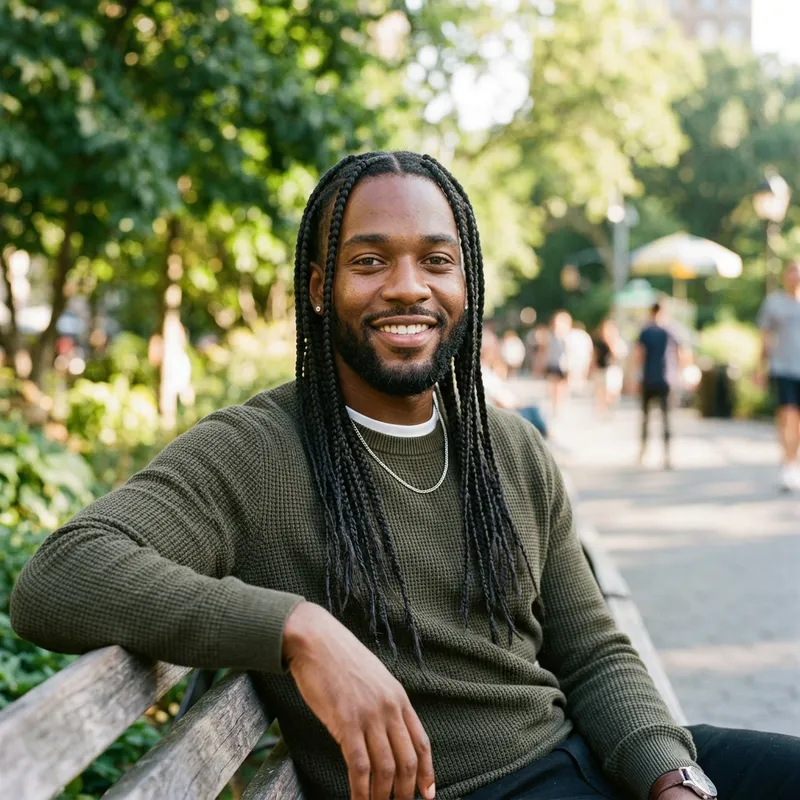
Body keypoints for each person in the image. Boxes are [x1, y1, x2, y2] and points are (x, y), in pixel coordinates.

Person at [10, 151, 800, 800]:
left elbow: (592, 653)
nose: (407, 287)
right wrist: (299, 629)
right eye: (369, 261)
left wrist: (671, 776)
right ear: (320, 290)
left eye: (436, 261)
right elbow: (61, 576)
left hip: (589, 762)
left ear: (467, 284)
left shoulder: (509, 449)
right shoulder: (255, 451)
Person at [758, 260, 800, 492]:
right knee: (787, 416)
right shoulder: (774, 304)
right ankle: (788, 465)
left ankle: (794, 460)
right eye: (792, 272)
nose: (796, 277)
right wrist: (760, 368)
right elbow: (764, 336)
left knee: (798, 423)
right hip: (782, 368)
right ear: (786, 275)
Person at [636, 302, 683, 469]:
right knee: (666, 419)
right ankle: (667, 456)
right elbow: (681, 354)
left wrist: (635, 377)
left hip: (649, 378)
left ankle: (643, 453)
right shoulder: (671, 331)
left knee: (646, 418)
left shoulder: (646, 331)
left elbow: (639, 355)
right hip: (666, 379)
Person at [592, 318, 626, 417]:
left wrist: (611, 344)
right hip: (601, 368)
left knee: (612, 390)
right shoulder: (599, 342)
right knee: (600, 390)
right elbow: (594, 355)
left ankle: (610, 407)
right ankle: (602, 410)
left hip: (613, 369)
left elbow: (619, 355)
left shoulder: (618, 342)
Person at [542, 310, 572, 417]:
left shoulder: (568, 336)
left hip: (564, 365)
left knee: (562, 386)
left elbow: (570, 352)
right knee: (554, 386)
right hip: (553, 363)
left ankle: (560, 405)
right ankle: (555, 406)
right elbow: (547, 350)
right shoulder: (551, 335)